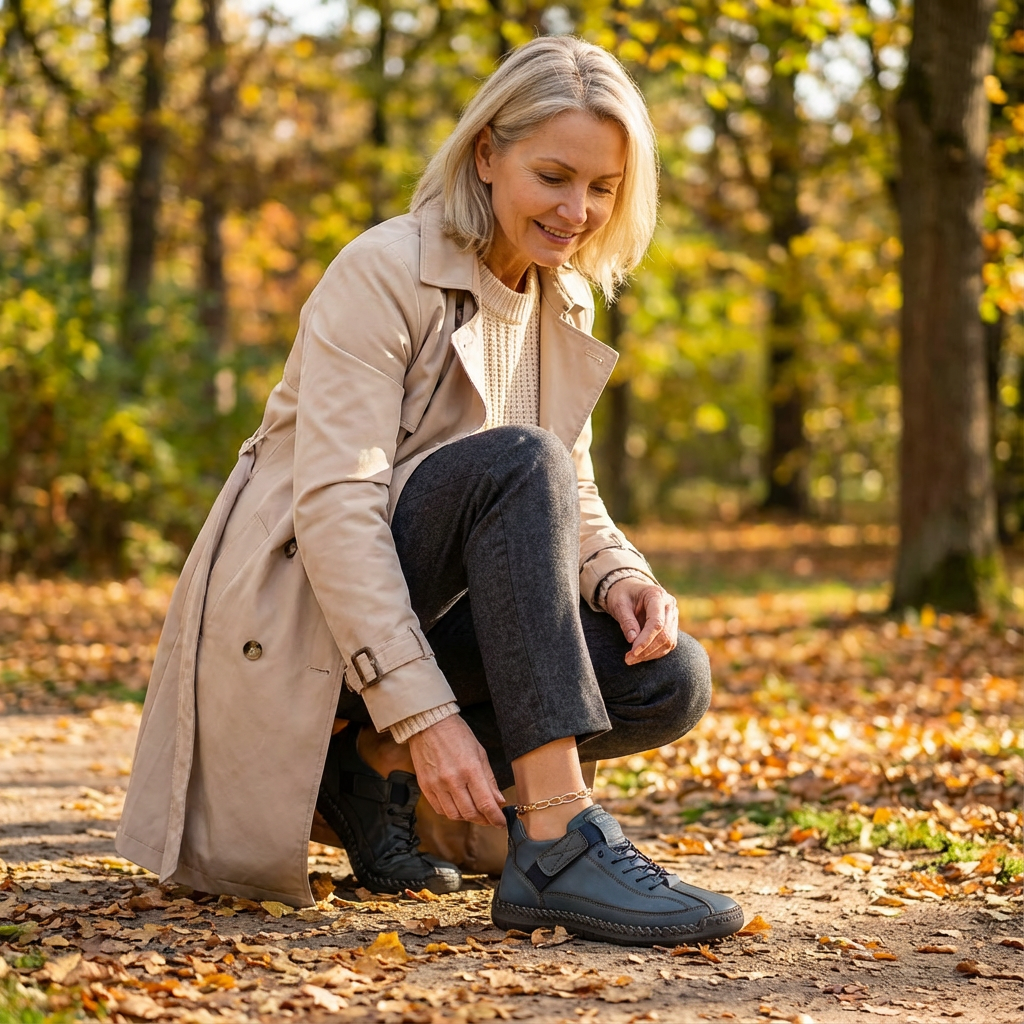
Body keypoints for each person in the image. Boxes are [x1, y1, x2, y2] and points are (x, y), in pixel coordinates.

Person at [116, 35, 743, 946]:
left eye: (602, 188)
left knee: (667, 680)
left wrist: (619, 577)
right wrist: (428, 716)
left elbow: (571, 485)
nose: (577, 211)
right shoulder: (383, 271)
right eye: (553, 176)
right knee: (516, 461)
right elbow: (337, 511)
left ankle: (366, 766)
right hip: (307, 616)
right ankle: (557, 840)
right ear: (486, 155)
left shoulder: (562, 297)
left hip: (417, 612)